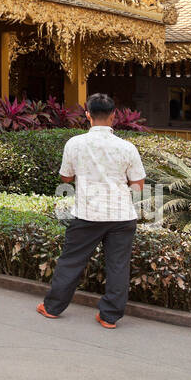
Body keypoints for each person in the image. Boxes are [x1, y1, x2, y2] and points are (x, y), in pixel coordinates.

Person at [37, 93, 145, 328]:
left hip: (88, 214)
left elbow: (66, 177)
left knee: (71, 261)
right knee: (118, 265)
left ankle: (52, 308)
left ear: (87, 115)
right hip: (122, 215)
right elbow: (138, 185)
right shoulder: (127, 147)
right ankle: (109, 317)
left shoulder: (75, 143)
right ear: (114, 115)